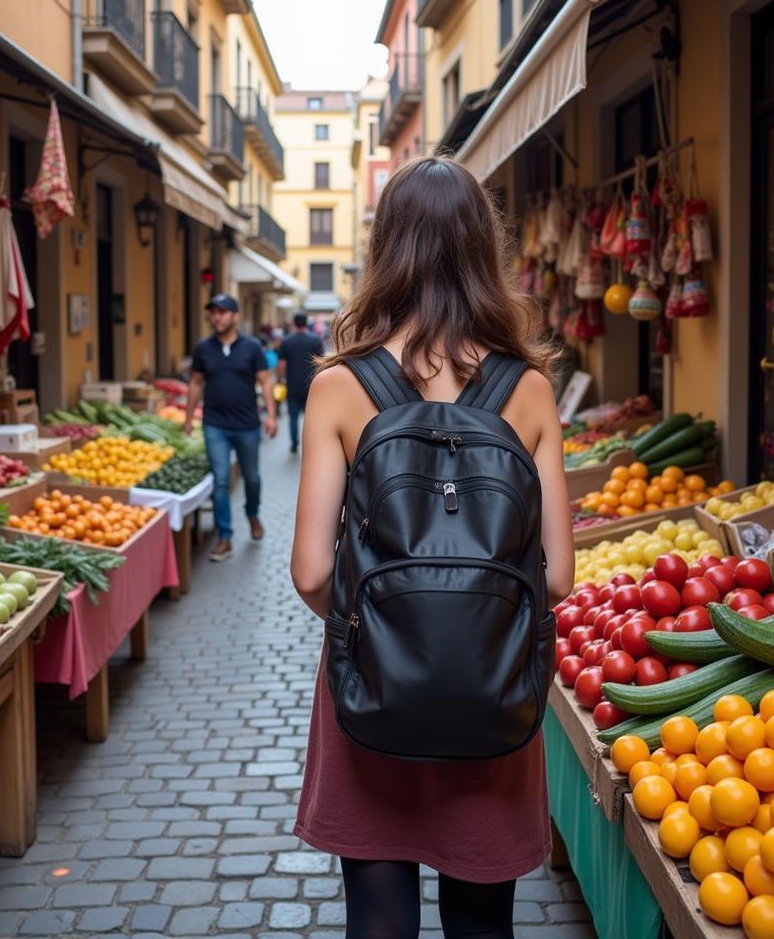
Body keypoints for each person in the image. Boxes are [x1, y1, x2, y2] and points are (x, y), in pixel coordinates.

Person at [289, 156, 574, 938]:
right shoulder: (530, 389)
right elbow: (557, 578)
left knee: (378, 922)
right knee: (482, 922)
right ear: (486, 250)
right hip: (491, 690)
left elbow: (313, 571)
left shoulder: (340, 386)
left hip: (372, 690)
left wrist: (382, 629)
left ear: (387, 250)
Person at [186, 294, 277, 562]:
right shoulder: (203, 348)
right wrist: (188, 417)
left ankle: (252, 513)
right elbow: (195, 383)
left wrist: (271, 415)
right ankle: (224, 536)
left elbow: (265, 382)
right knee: (221, 480)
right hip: (214, 424)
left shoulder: (251, 347)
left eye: (223, 312)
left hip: (247, 424)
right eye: (213, 312)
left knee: (252, 477)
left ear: (235, 316)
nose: (217, 317)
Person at [278, 312, 325, 453]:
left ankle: (294, 443)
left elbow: (281, 365)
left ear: (294, 323)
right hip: (311, 386)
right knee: (310, 418)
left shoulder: (286, 341)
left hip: (292, 385)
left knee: (292, 417)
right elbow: (321, 363)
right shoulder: (315, 340)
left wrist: (280, 379)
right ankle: (309, 444)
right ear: (306, 323)